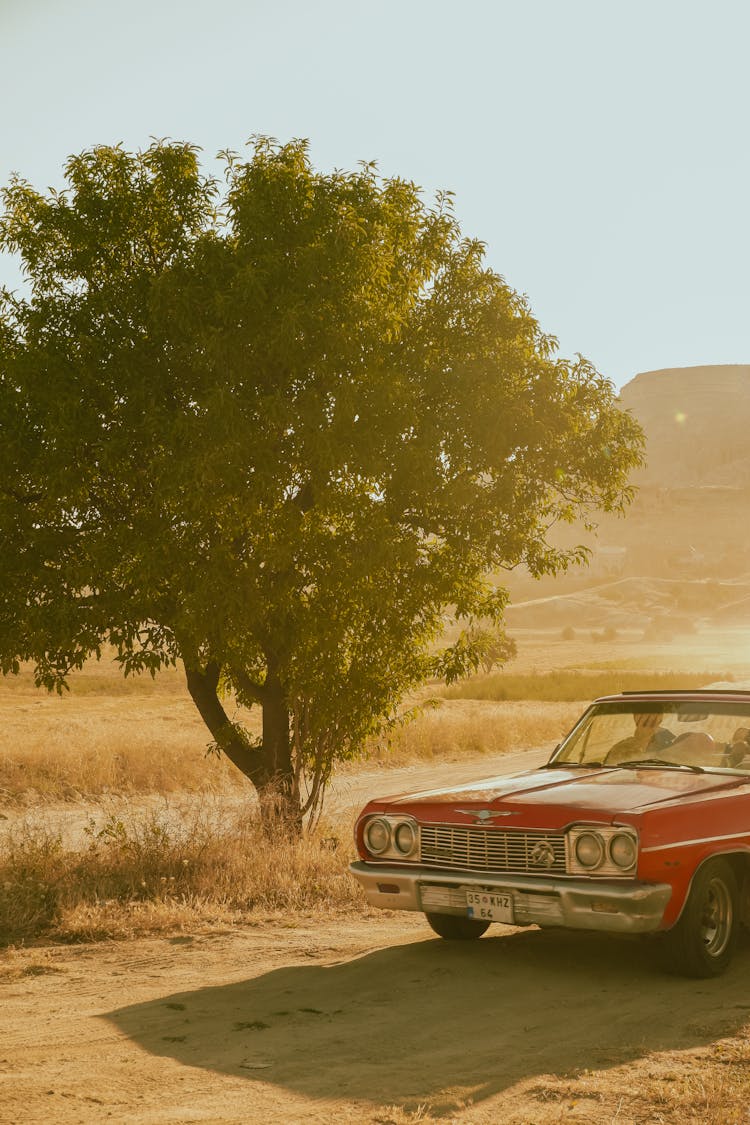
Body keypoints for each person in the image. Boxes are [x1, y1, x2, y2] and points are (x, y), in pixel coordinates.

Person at [605, 711, 674, 766]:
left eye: (652, 718)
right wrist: (641, 742)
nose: (648, 719)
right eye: (644, 718)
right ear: (635, 718)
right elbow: (610, 769)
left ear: (660, 718)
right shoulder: (620, 748)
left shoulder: (672, 744)